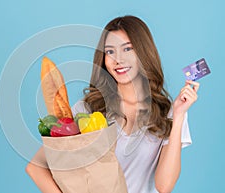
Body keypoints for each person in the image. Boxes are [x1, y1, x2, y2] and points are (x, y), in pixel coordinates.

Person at [26, 15, 199, 193]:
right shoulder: (87, 110)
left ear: (143, 53)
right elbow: (36, 167)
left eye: (127, 49)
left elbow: (164, 186)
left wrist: (178, 117)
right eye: (110, 51)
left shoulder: (168, 111)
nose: (118, 60)